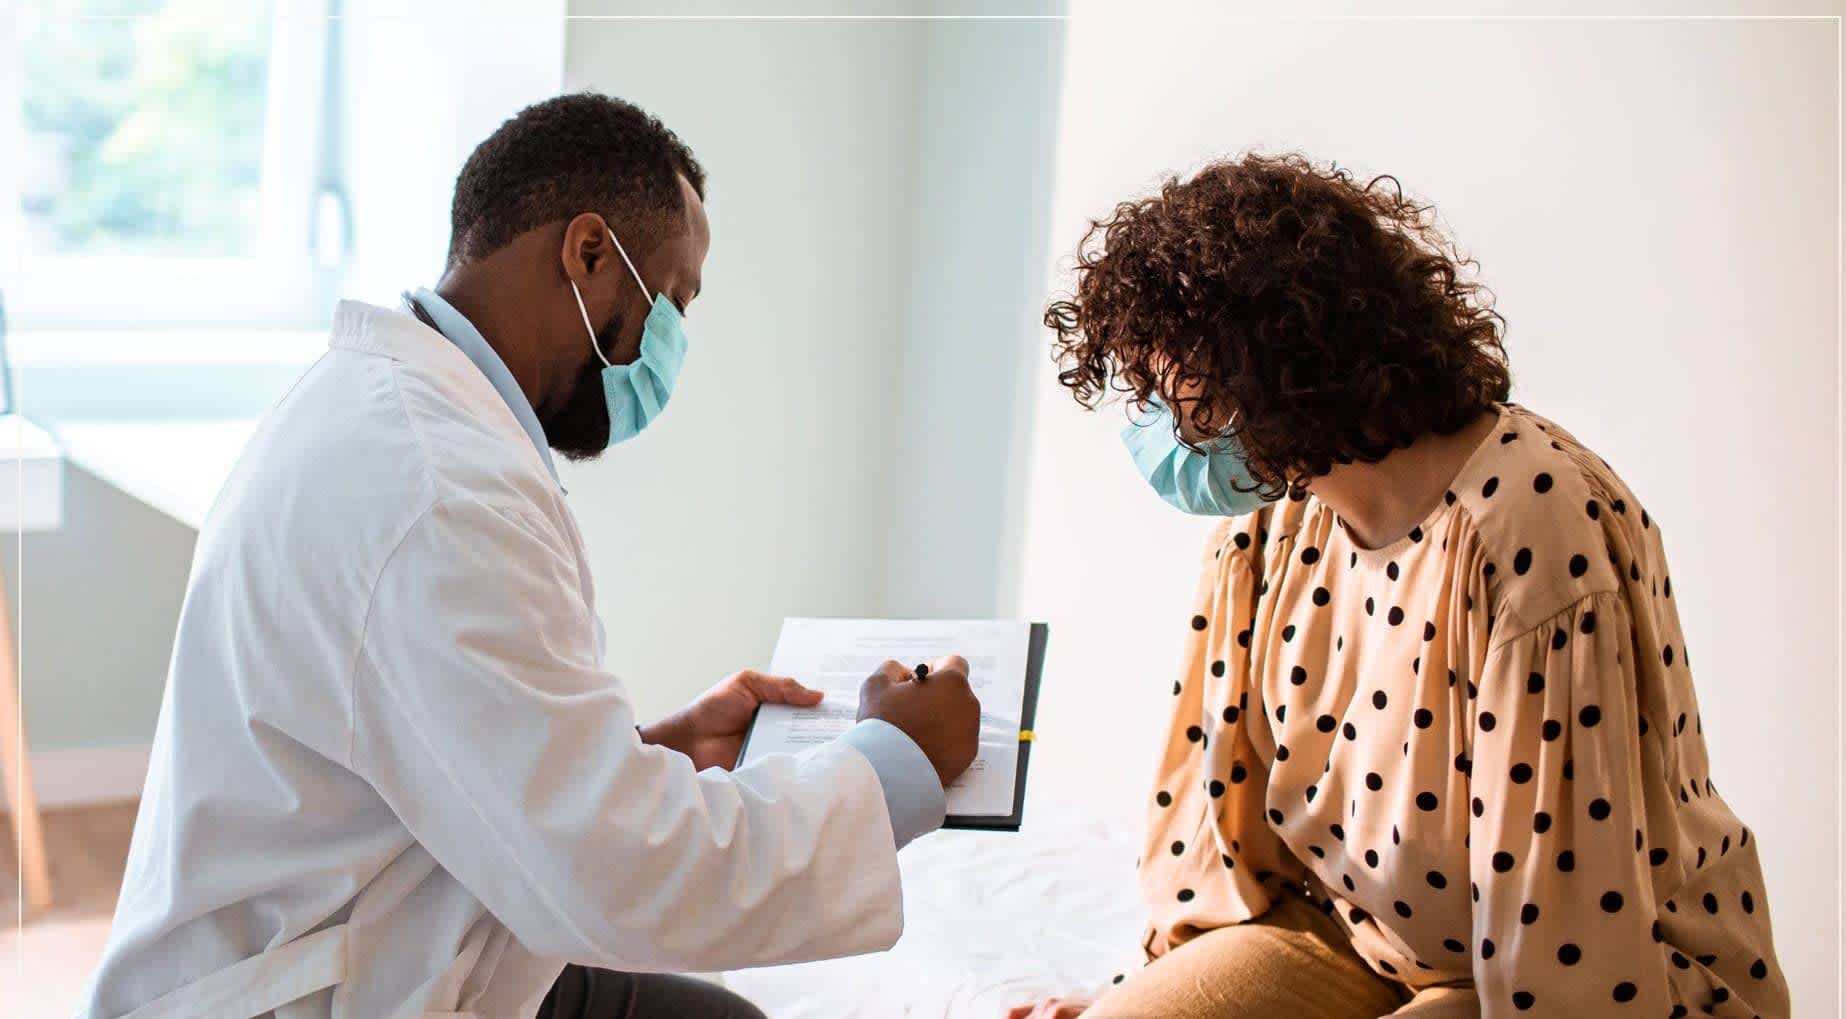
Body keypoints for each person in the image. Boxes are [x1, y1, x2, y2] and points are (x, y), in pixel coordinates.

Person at [79, 92, 981, 1019]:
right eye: (673, 300)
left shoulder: (390, 410)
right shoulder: (439, 491)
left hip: (401, 930)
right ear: (589, 254)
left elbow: (444, 741)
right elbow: (621, 878)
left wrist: (650, 753)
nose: (674, 346)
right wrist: (894, 759)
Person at [1010, 155, 1787, 1018]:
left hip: (1563, 972)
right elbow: (1219, 820)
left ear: (1262, 365)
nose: (1156, 420)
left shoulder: (1530, 530)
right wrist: (1146, 990)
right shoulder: (1269, 523)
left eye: (1169, 387)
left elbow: (1566, 936)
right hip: (1350, 935)